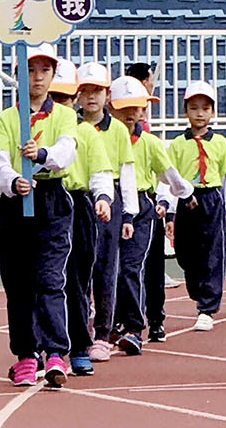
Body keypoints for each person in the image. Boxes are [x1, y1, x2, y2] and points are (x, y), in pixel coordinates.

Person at [0, 43, 77, 388]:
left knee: (50, 279)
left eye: (44, 71)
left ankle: (56, 351)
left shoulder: (64, 115)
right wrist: (13, 180)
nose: (37, 78)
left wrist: (41, 155)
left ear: (53, 76)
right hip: (16, 204)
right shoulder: (7, 118)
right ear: (17, 75)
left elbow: (66, 150)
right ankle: (26, 354)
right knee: (18, 283)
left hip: (52, 200)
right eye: (29, 70)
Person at [109, 75, 191, 355]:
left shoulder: (150, 143)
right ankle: (111, 320)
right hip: (108, 201)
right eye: (127, 108)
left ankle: (134, 327)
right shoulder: (104, 138)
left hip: (142, 205)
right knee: (108, 266)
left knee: (132, 266)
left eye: (139, 107)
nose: (134, 114)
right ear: (112, 109)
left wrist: (184, 194)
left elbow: (170, 175)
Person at [72, 62, 139, 368]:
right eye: (85, 90)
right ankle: (80, 327)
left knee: (106, 267)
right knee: (78, 266)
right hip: (77, 197)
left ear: (107, 94)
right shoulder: (69, 127)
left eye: (97, 90)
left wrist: (128, 214)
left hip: (109, 199)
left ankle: (103, 332)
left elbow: (126, 173)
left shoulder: (118, 132)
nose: (90, 97)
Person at [56, 61, 115, 376]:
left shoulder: (86, 134)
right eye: (55, 97)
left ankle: (79, 345)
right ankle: (48, 345)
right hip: (43, 203)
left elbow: (101, 172)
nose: (60, 105)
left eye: (65, 98)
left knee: (78, 280)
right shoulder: (37, 128)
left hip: (77, 206)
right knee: (45, 280)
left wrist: (103, 198)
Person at [168, 80, 226, 331]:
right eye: (194, 108)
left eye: (205, 108)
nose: (199, 113)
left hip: (211, 199)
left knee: (212, 253)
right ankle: (197, 290)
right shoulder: (177, 145)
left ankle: (208, 307)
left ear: (212, 112)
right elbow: (171, 179)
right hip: (187, 201)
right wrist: (171, 213)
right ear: (186, 111)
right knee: (186, 254)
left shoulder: (219, 143)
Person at [126, 61, 170, 342]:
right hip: (121, 204)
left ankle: (154, 319)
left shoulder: (149, 137)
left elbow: (165, 172)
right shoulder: (115, 135)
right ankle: (127, 320)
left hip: (148, 202)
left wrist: (166, 199)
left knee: (152, 265)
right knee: (124, 266)